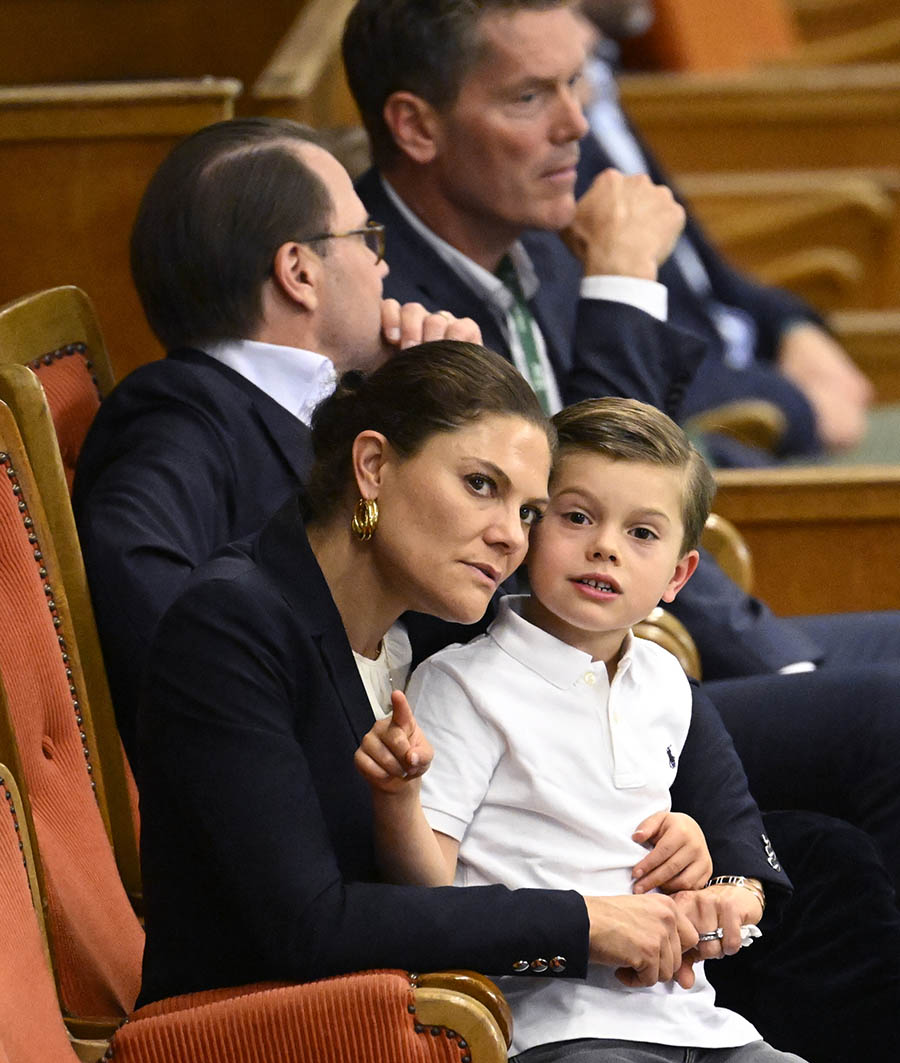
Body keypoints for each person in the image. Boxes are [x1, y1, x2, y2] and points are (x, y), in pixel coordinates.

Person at [340, 0, 900, 893]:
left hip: (655, 640)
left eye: (577, 83)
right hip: (546, 688)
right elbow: (585, 502)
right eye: (529, 97)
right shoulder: (388, 305)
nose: (577, 125)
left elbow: (650, 481)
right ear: (415, 125)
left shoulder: (544, 245)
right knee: (886, 715)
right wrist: (627, 285)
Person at [135, 341, 723, 1007]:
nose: (512, 537)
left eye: (530, 511)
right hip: (262, 1039)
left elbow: (627, 697)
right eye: (481, 485)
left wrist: (695, 838)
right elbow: (308, 926)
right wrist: (583, 920)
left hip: (432, 1013)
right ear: (374, 466)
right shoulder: (231, 624)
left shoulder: (438, 618)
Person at [357, 396, 857, 1063]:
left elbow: (715, 846)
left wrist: (713, 891)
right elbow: (426, 885)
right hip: (556, 1033)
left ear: (679, 577)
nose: (605, 547)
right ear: (529, 524)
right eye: (577, 516)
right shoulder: (463, 683)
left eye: (642, 532)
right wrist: (398, 797)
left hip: (699, 1023)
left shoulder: (664, 682)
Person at [72, 117, 481, 757]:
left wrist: (451, 409)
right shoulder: (176, 416)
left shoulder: (350, 403)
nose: (383, 265)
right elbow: (157, 622)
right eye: (366, 237)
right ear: (299, 270)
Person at [576, 0, 878, 465]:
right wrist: (799, 405)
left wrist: (790, 328)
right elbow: (614, 349)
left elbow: (701, 271)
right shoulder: (559, 132)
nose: (564, 110)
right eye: (538, 92)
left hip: (753, 376)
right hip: (721, 426)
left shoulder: (597, 82)